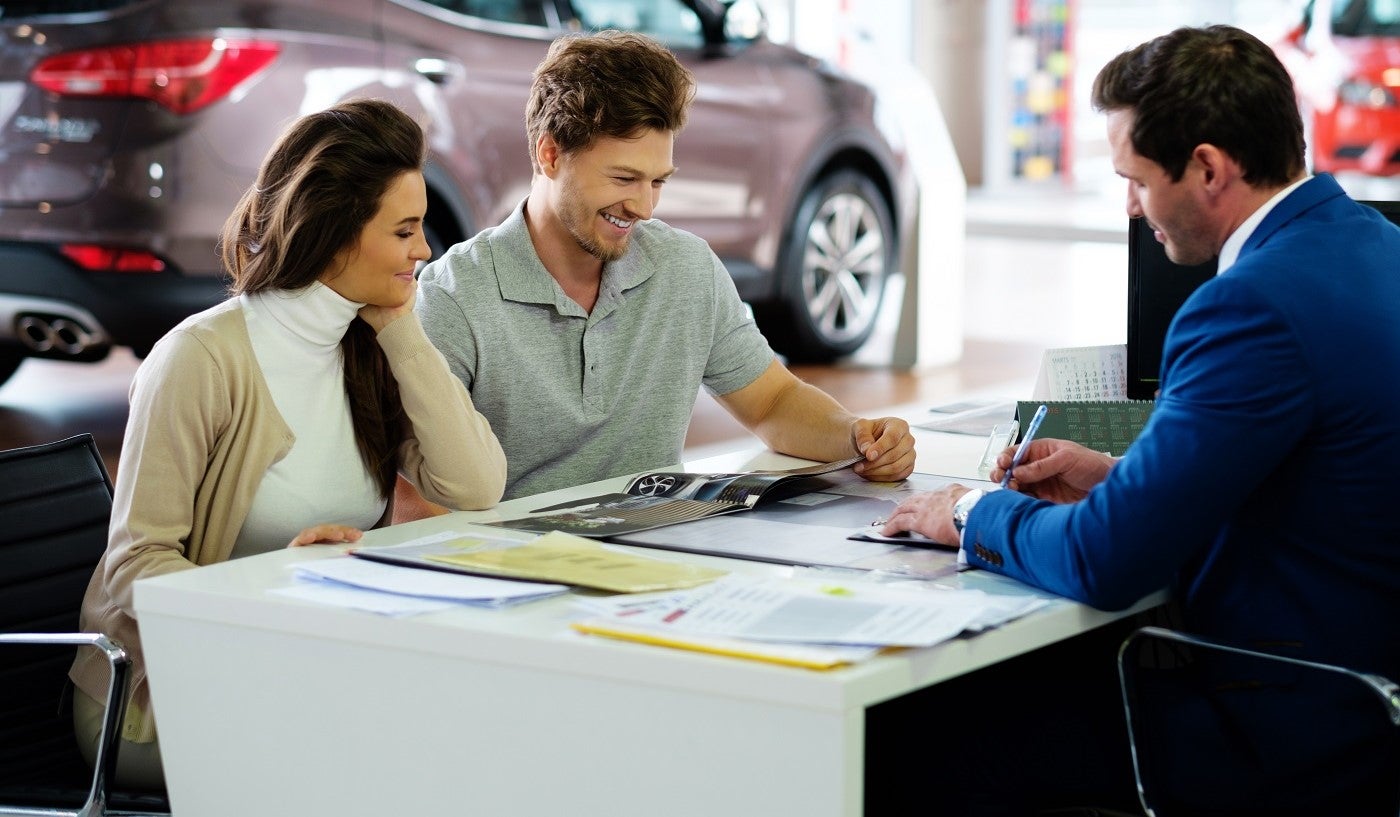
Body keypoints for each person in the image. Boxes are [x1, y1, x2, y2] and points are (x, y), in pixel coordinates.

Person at [878, 25, 1400, 815]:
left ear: (1208, 168)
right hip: (1370, 699)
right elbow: (1314, 480)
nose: (1129, 204)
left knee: (912, 732)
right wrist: (1120, 479)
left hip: (1292, 730)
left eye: (1135, 178)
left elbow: (1105, 561)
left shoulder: (1246, 307)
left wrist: (970, 510)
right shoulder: (1377, 248)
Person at [68, 99, 507, 789]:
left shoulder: (369, 348)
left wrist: (403, 331)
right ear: (335, 235)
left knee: (471, 715)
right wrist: (276, 587)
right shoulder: (200, 359)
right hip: (154, 704)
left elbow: (476, 485)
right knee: (401, 747)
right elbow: (133, 566)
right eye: (405, 230)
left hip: (303, 667)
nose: (425, 251)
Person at [415, 30, 915, 501]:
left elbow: (772, 402)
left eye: (657, 182)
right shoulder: (454, 296)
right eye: (623, 178)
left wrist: (857, 437)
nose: (644, 207)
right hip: (510, 570)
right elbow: (419, 492)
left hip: (658, 561)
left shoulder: (685, 267)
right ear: (550, 154)